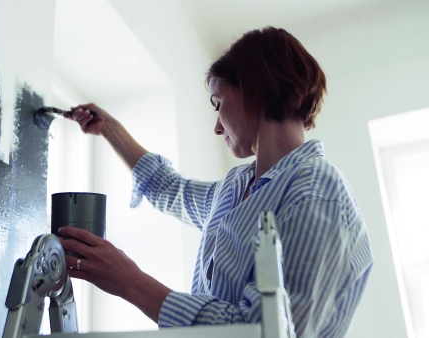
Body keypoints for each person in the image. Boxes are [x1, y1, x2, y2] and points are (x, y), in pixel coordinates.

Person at [57, 26, 373, 337]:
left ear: (254, 88)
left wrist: (131, 283)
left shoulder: (318, 192)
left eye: (218, 103)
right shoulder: (235, 186)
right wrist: (109, 128)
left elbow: (271, 332)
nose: (217, 128)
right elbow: (169, 188)